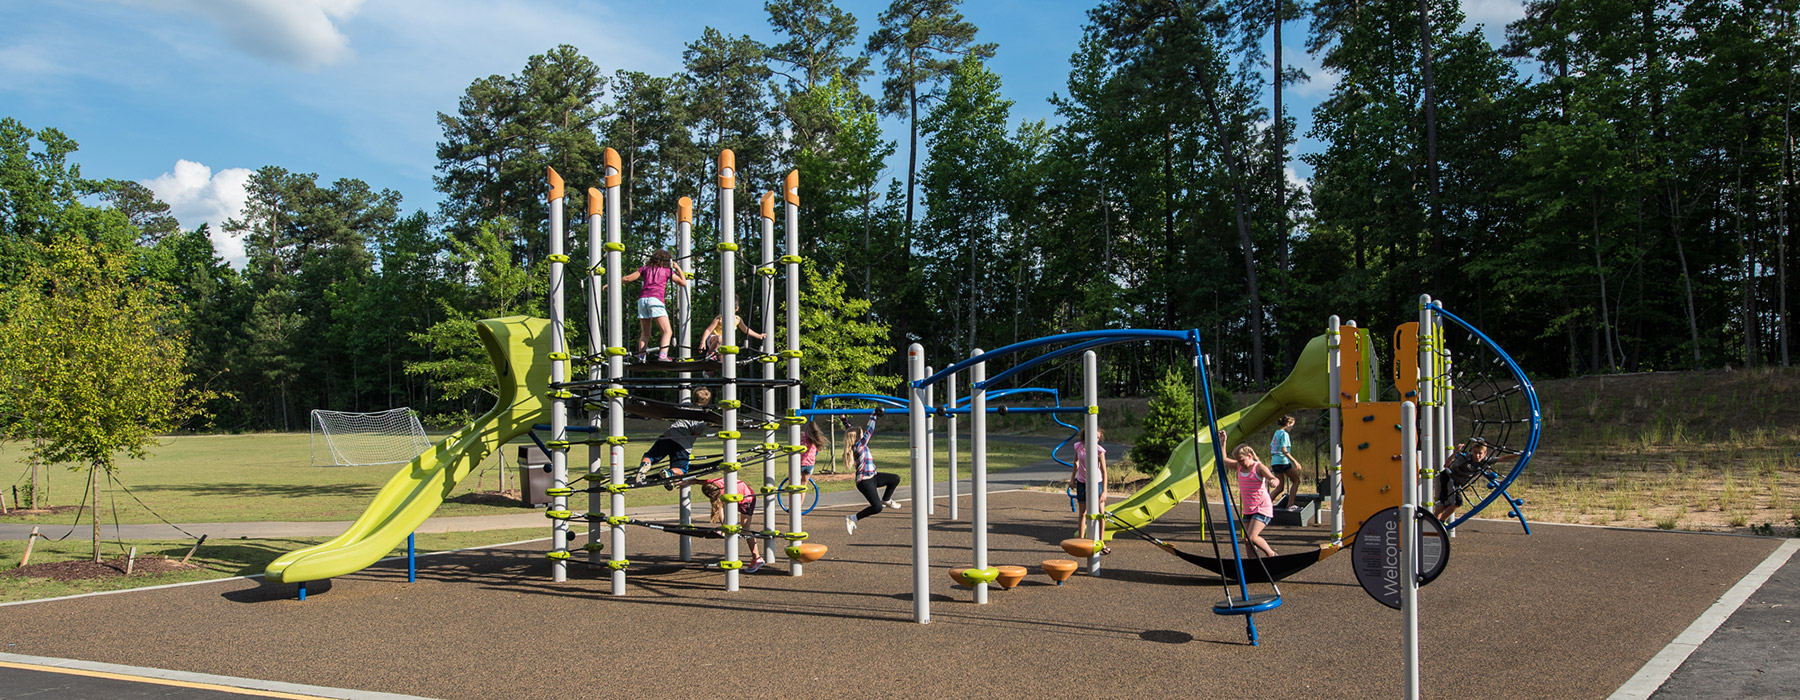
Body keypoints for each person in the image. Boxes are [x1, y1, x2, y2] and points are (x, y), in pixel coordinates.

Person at [674, 474, 764, 573]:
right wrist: (684, 482)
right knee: (729, 520)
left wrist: (725, 527)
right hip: (735, 494)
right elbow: (697, 481)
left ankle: (757, 559)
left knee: (745, 530)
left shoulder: (725, 491)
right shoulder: (711, 483)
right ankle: (728, 528)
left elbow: (719, 505)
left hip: (747, 499)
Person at [617, 249, 688, 362]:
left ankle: (641, 357)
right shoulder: (666, 271)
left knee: (645, 333)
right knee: (667, 331)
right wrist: (677, 267)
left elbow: (627, 278)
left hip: (642, 300)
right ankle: (663, 355)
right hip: (655, 300)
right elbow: (683, 282)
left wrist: (610, 283)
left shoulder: (644, 269)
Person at [1217, 433, 1278, 559]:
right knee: (1247, 541)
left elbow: (1274, 478)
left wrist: (1273, 482)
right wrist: (1223, 442)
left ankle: (1272, 555)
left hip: (1261, 507)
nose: (1240, 463)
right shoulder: (1239, 465)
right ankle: (1253, 563)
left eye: (1241, 460)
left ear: (1249, 456)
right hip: (1249, 508)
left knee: (1252, 537)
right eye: (1238, 460)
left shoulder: (1258, 467)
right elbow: (1224, 460)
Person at [842, 407, 901, 534]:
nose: (863, 434)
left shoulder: (857, 444)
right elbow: (870, 430)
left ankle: (886, 499)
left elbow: (850, 430)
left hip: (873, 477)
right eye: (861, 433)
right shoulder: (859, 446)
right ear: (858, 437)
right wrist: (874, 416)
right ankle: (852, 518)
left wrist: (844, 419)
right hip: (865, 482)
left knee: (895, 479)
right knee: (877, 507)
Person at [635, 388, 711, 485]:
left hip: (669, 435)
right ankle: (669, 473)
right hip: (683, 444)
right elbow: (696, 433)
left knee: (651, 456)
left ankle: (645, 466)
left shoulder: (685, 406)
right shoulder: (703, 417)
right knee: (682, 469)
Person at [1433, 438, 1517, 525]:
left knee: (1445, 504)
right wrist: (1455, 452)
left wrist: (1518, 455)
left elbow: (1502, 458)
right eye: (1475, 452)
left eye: (1480, 453)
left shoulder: (1485, 461)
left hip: (1456, 482)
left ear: (1485, 453)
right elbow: (1446, 465)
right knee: (1457, 503)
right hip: (1450, 479)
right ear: (1472, 451)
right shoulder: (1465, 459)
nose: (1477, 456)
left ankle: (1433, 523)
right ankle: (1441, 522)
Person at [1070, 427, 1109, 541]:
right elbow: (1076, 462)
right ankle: (1081, 540)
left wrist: (1104, 491)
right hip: (1082, 481)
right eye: (1094, 437)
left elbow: (1104, 471)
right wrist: (1072, 478)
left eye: (1098, 438)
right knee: (1082, 512)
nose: (1096, 439)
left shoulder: (1099, 450)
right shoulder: (1079, 447)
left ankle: (1101, 541)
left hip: (1096, 482)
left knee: (1101, 512)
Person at [700, 303, 766, 360]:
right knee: (720, 338)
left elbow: (746, 329)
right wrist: (703, 342)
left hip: (725, 342)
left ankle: (719, 363)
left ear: (736, 309)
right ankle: (710, 354)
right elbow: (708, 330)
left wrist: (758, 336)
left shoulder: (737, 319)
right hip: (714, 339)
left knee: (726, 351)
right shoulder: (720, 318)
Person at [1268, 415, 1304, 510]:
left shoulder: (1276, 433)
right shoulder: (1284, 434)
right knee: (1296, 480)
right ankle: (1290, 504)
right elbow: (1284, 450)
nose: (1292, 427)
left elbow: (1271, 447)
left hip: (1275, 461)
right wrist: (1295, 461)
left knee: (1280, 487)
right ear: (1288, 424)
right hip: (1283, 461)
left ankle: (1264, 504)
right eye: (1292, 425)